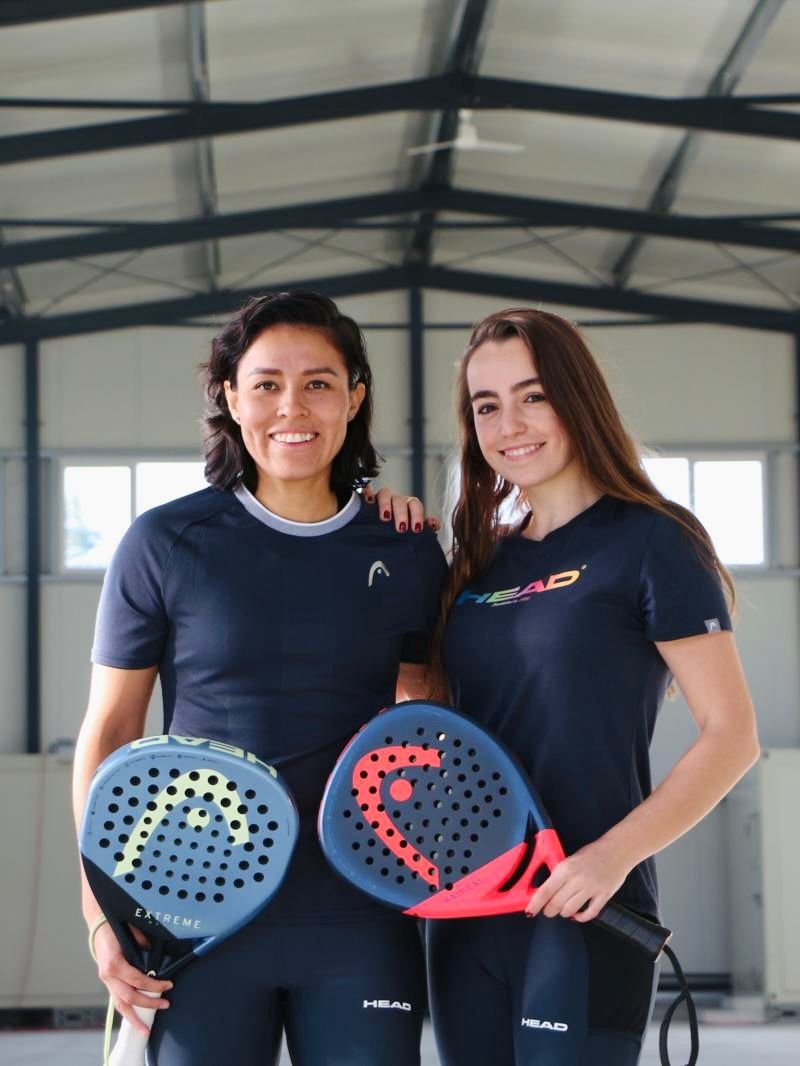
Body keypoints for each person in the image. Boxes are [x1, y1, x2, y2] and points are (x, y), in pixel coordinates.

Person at [72, 290, 447, 1066]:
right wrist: (102, 910)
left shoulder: (405, 547)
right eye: (267, 383)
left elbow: (428, 708)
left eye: (319, 383)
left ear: (355, 398)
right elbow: (110, 732)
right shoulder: (166, 542)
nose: (292, 407)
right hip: (194, 909)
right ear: (230, 396)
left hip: (361, 917)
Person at [420, 308, 759, 1066]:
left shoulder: (652, 540)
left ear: (577, 398)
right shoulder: (475, 563)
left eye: (533, 395)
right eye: (486, 406)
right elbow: (432, 719)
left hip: (586, 902)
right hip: (468, 902)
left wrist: (609, 858)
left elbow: (732, 736)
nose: (510, 424)